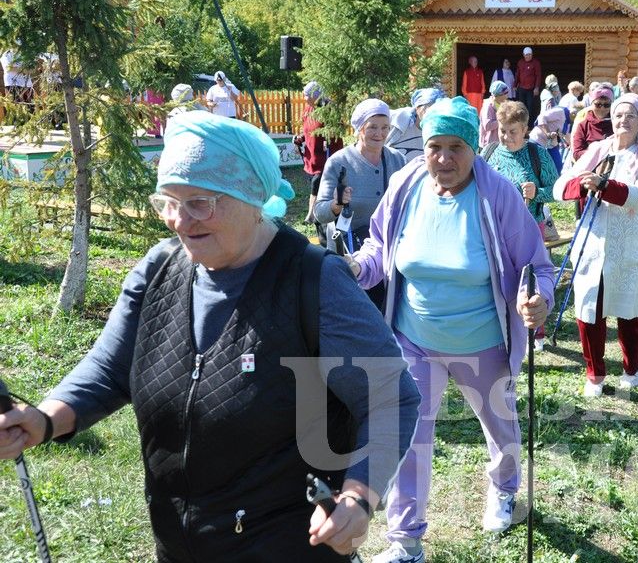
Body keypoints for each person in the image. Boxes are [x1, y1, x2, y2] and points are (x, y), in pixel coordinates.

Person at [0, 110, 420, 562]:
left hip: (289, 546)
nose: (180, 221)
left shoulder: (314, 281)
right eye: (168, 202)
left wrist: (358, 498)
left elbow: (389, 396)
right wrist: (44, 420)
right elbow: (109, 369)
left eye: (198, 202)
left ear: (251, 196)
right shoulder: (158, 271)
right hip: (179, 545)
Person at [346, 96, 554, 563]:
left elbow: (537, 267)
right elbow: (379, 249)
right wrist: (355, 267)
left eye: (455, 147)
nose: (443, 158)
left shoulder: (497, 193)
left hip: (482, 342)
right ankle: (405, 542)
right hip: (412, 339)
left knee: (501, 429)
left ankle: (503, 491)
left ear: (474, 148)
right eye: (434, 146)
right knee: (409, 440)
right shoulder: (406, 184)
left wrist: (537, 300)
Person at [552, 93, 638, 397]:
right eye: (618, 114)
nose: (622, 120)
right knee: (590, 309)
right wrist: (583, 185)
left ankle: (631, 368)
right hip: (594, 241)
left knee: (629, 311)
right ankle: (595, 374)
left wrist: (605, 186)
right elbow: (562, 186)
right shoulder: (597, 149)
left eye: (630, 116)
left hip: (631, 244)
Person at [314, 98, 406, 308]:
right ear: (359, 128)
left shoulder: (398, 160)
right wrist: (336, 205)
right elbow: (320, 212)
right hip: (350, 253)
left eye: (385, 127)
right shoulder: (339, 162)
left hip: (390, 249)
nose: (380, 134)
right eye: (372, 127)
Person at [483, 100, 559, 350]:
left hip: (530, 228)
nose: (506, 137)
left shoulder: (538, 154)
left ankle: (536, 331)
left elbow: (557, 191)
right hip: (494, 229)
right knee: (499, 278)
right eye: (502, 130)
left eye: (512, 131)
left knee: (531, 278)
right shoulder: (490, 152)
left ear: (525, 128)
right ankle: (502, 327)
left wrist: (537, 192)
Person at [299, 81, 344, 233]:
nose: (304, 98)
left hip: (326, 157)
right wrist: (300, 138)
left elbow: (337, 130)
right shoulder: (307, 109)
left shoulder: (328, 109)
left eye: (307, 95)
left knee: (316, 185)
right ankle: (315, 211)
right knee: (313, 184)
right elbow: (306, 129)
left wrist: (330, 137)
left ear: (315, 95)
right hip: (311, 156)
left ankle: (312, 214)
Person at [386, 87, 444, 163]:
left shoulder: (442, 132)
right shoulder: (398, 121)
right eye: (426, 107)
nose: (431, 113)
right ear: (417, 108)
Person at [571, 86, 614, 162]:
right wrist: (597, 152)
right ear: (591, 104)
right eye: (598, 104)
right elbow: (577, 153)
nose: (602, 108)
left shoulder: (616, 123)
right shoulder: (583, 125)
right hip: (589, 169)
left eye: (607, 105)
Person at [530, 106, 568, 173]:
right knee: (537, 168)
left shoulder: (569, 121)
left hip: (551, 143)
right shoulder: (561, 112)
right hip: (537, 140)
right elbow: (542, 117)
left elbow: (567, 134)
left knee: (558, 167)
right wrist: (548, 133)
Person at [515, 46, 542, 125]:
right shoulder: (520, 62)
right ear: (523, 55)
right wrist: (515, 84)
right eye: (526, 55)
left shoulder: (536, 63)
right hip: (521, 88)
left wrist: (536, 87)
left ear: (532, 54)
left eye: (529, 54)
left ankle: (530, 125)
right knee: (521, 106)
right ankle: (521, 123)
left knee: (530, 107)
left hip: (531, 89)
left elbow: (538, 76)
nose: (528, 56)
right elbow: (517, 74)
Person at [479, 80, 509, 148]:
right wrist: (503, 120)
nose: (507, 96)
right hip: (488, 145)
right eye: (505, 93)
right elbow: (487, 126)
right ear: (499, 95)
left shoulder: (502, 104)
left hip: (497, 143)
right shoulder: (488, 106)